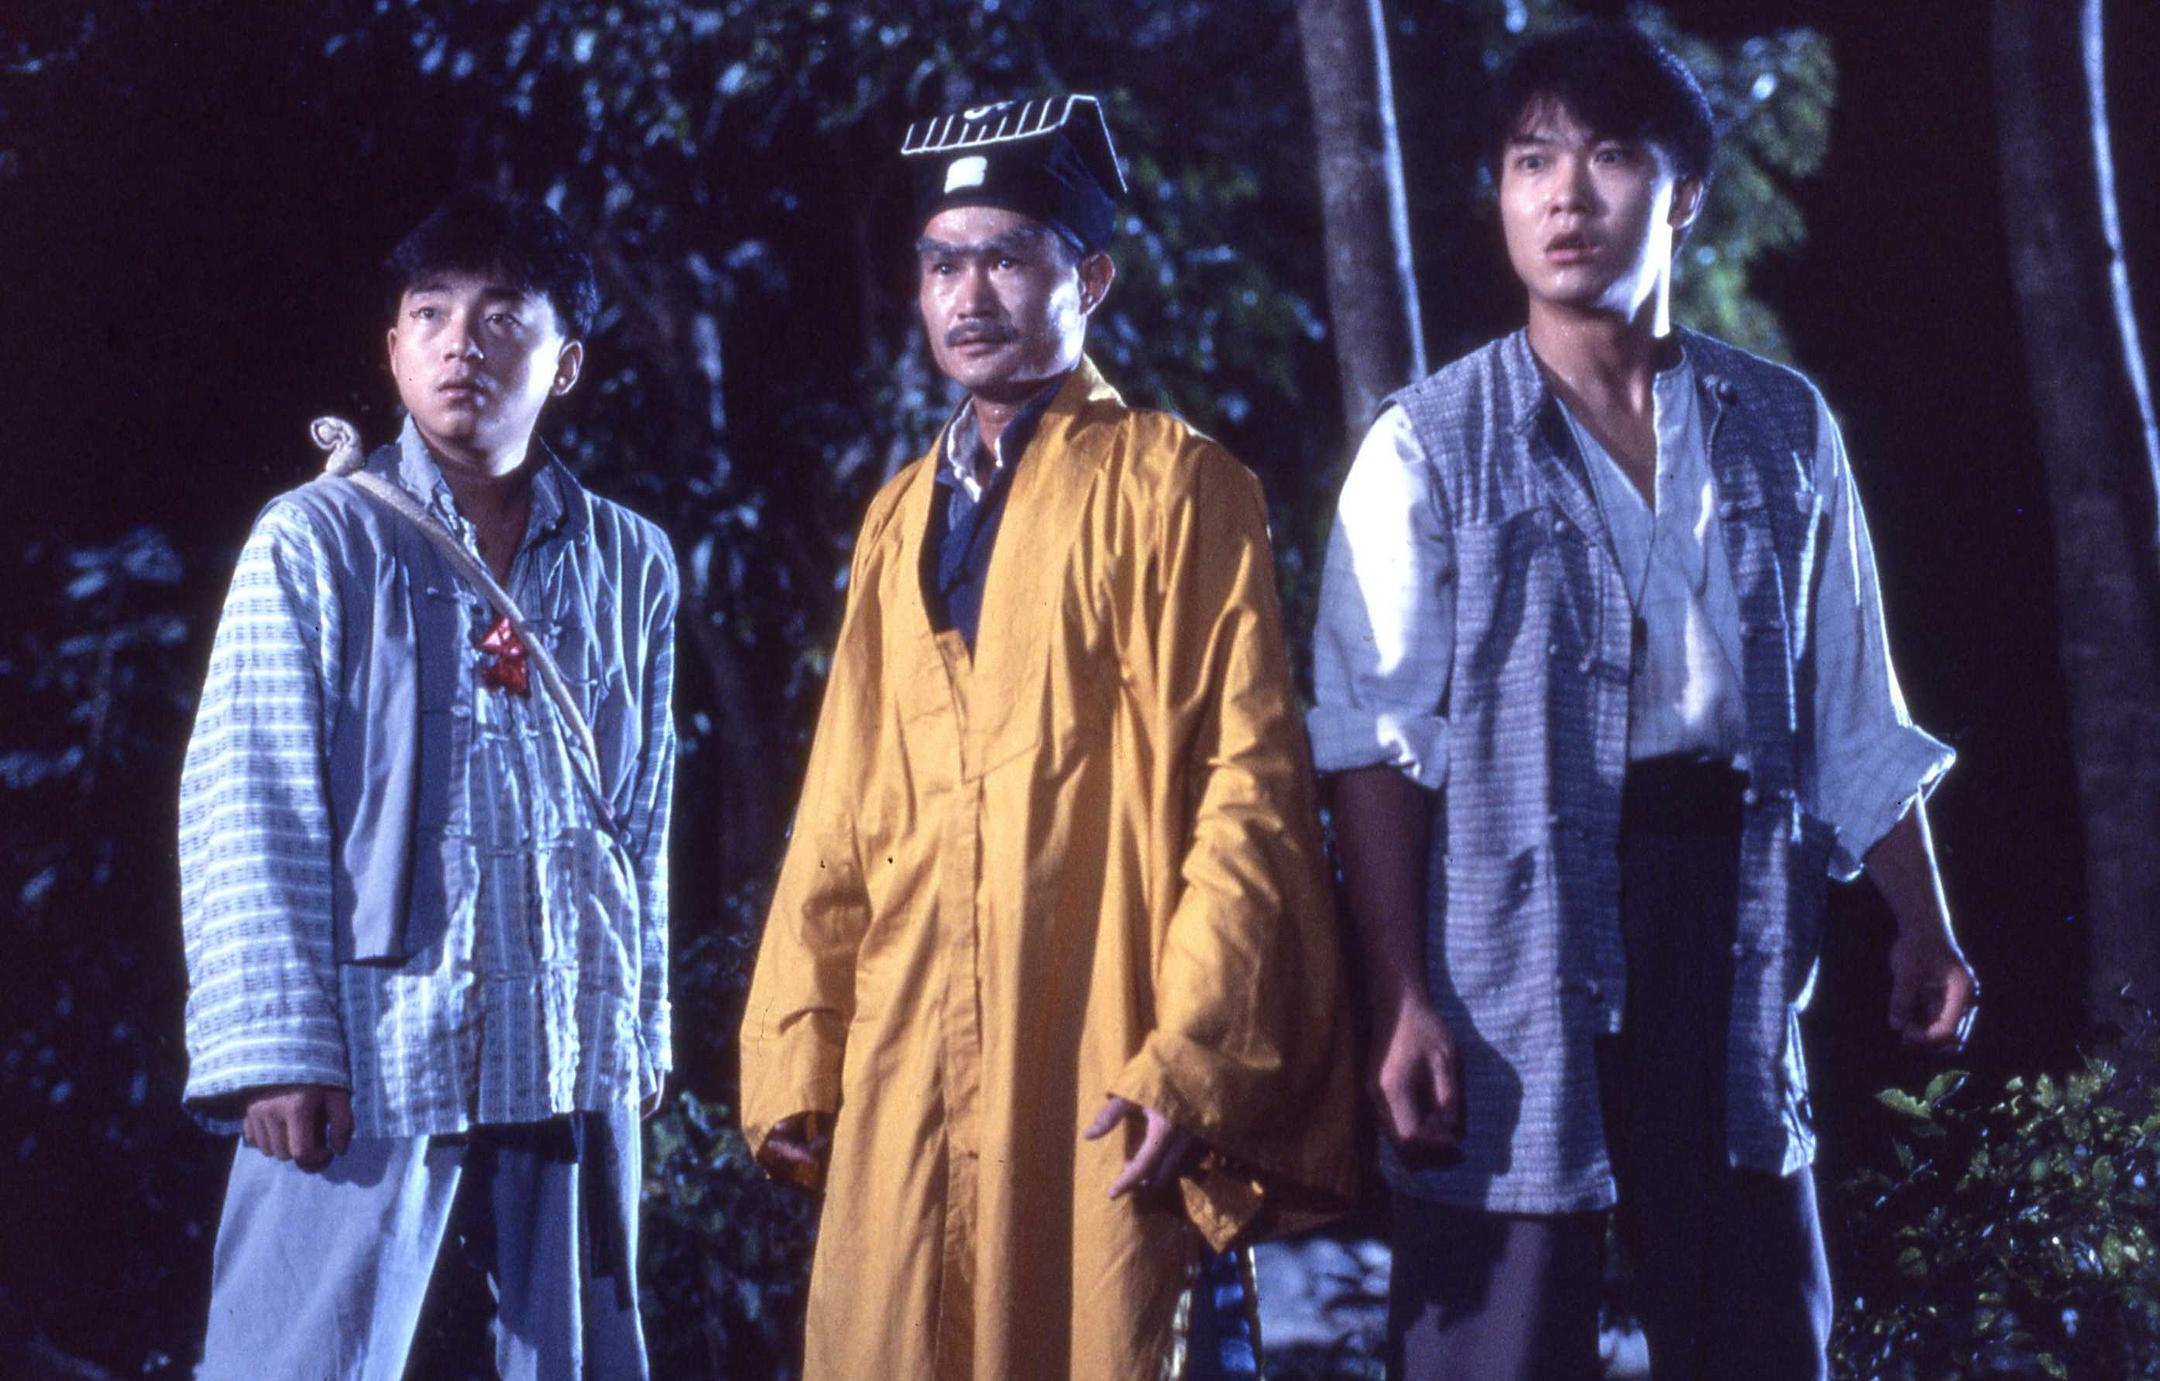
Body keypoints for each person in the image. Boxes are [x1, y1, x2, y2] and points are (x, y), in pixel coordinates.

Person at [1308, 23, 1978, 1380]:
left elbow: (1853, 701)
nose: (1566, 196)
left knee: (1760, 1323)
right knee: (1498, 1324)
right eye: (1531, 161)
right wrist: (1402, 997)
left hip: (1730, 910)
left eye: (1610, 158)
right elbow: (1373, 749)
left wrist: (1925, 919)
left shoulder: (1782, 426)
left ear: (1682, 197)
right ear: (1500, 193)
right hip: (1512, 923)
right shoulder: (1425, 445)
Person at [737, 94, 1356, 1380]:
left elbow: (1246, 785)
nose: (971, 296)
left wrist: (1195, 1052)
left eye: (1009, 258)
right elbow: (841, 801)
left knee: (1101, 1325)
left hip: (1095, 1032)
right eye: (943, 264)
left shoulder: (1175, 484)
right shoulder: (897, 519)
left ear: (1091, 277)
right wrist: (801, 1035)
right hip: (909, 1041)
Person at [178, 189, 678, 1379]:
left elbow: (642, 817)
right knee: (298, 1353)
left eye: (504, 316)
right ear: (393, 348)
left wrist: (643, 1022)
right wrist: (278, 1049)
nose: (463, 343)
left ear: (566, 363)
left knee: (573, 1357)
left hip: (566, 1030)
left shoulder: (629, 558)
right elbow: (249, 795)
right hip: (378, 1036)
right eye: (432, 313)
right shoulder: (317, 538)